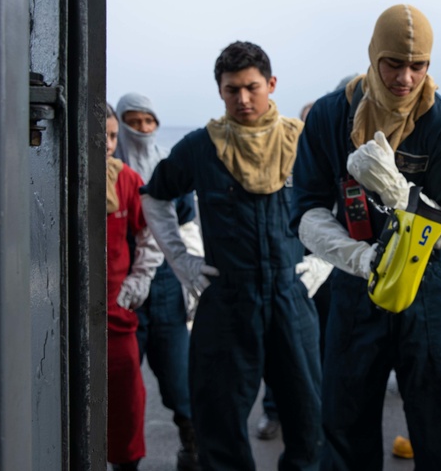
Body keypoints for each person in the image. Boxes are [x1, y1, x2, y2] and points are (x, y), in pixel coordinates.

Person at [291, 3, 441, 470]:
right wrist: (359, 258)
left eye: (418, 66)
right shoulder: (331, 117)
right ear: (374, 56)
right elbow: (308, 209)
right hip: (356, 292)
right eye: (393, 63)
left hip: (430, 293)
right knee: (344, 429)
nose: (405, 78)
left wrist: (398, 192)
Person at [141, 42, 323, 470]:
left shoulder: (303, 142)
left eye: (252, 87)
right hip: (226, 299)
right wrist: (183, 263)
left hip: (290, 296)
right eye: (231, 90)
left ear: (271, 84)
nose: (242, 99)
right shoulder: (202, 147)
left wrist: (322, 264)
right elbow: (154, 198)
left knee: (309, 423)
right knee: (218, 427)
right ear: (220, 91)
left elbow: (338, 201)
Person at [114, 92, 204, 471]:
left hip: (166, 287)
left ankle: (192, 448)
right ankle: (124, 460)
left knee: (179, 377)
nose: (142, 129)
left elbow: (187, 223)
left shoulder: (170, 166)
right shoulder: (108, 169)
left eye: (149, 122)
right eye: (133, 122)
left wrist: (192, 276)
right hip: (121, 286)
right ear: (119, 125)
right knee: (123, 386)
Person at [255, 97, 334, 443]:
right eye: (306, 125)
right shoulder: (284, 162)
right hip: (289, 268)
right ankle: (273, 409)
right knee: (278, 343)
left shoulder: (333, 162)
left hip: (328, 268)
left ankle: (319, 411)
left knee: (323, 343)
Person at [104, 102, 163, 471]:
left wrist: (138, 280)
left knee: (127, 400)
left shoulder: (125, 179)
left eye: (112, 136)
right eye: (101, 136)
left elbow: (150, 233)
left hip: (116, 312)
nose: (108, 144)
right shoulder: (51, 178)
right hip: (59, 315)